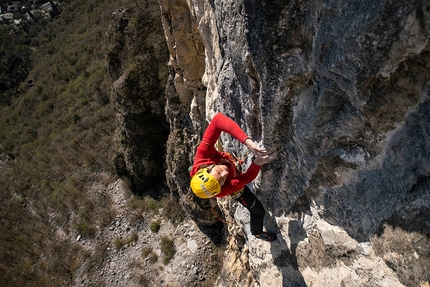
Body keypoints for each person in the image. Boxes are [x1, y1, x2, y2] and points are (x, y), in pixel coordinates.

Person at [190, 112, 277, 242]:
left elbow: (218, 121)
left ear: (207, 169)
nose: (225, 174)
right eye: (222, 179)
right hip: (237, 190)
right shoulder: (222, 190)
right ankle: (257, 233)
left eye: (218, 173)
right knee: (258, 211)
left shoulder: (203, 155)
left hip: (227, 162)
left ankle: (191, 170)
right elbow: (246, 179)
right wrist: (258, 162)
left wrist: (248, 143)